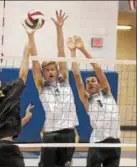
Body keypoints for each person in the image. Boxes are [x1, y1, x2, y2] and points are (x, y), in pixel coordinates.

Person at [23, 10, 79, 167]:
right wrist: (30, 36)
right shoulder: (42, 85)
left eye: (53, 69)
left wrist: (59, 28)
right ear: (44, 73)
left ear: (57, 70)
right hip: (50, 133)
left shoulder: (65, 80)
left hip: (68, 132)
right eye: (47, 70)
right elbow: (34, 63)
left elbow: (61, 52)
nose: (50, 72)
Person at [67, 36, 121, 167]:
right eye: (88, 82)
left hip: (115, 144)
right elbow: (77, 76)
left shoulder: (107, 93)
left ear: (99, 83)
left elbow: (97, 68)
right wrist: (73, 52)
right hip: (97, 144)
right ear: (86, 87)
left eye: (93, 81)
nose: (90, 83)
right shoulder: (87, 99)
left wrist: (83, 49)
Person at [0, 43, 31, 167]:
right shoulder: (5, 93)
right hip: (5, 149)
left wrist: (26, 117)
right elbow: (23, 76)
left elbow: (3, 127)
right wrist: (26, 52)